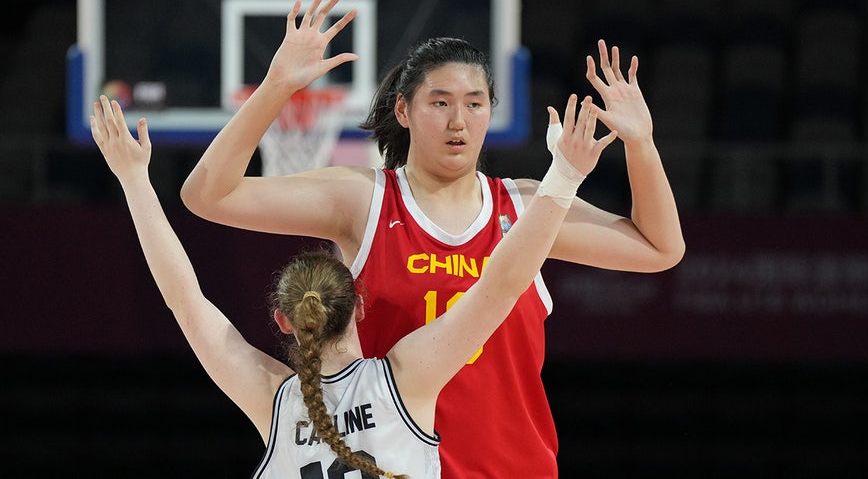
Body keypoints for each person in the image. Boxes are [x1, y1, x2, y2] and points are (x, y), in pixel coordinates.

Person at [180, 0, 685, 478]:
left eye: (475, 104)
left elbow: (660, 248)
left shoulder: (527, 206)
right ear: (403, 111)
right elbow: (208, 196)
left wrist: (641, 144)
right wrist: (276, 86)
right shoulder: (364, 200)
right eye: (439, 103)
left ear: (491, 112)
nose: (458, 121)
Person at [91, 71, 614, 477]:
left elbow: (184, 299)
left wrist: (135, 180)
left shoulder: (275, 401)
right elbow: (501, 285)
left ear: (284, 320)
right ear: (361, 305)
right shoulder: (405, 381)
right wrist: (564, 175)